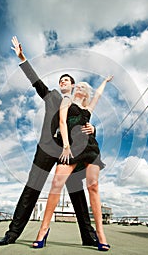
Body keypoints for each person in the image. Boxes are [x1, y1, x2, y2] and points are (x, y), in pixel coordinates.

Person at [0, 36, 98, 246]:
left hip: (69, 152)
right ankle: (12, 234)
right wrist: (22, 58)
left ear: (74, 86)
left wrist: (93, 129)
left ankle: (88, 236)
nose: (62, 82)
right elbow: (35, 81)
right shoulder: (51, 96)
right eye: (61, 80)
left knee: (76, 192)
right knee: (31, 188)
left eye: (67, 80)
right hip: (47, 147)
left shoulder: (79, 106)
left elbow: (84, 129)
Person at [33, 77, 113, 251]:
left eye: (83, 87)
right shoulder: (67, 100)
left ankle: (100, 234)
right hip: (71, 147)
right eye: (78, 86)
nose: (79, 88)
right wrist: (66, 145)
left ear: (86, 93)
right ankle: (43, 229)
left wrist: (105, 82)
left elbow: (98, 95)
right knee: (57, 183)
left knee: (93, 186)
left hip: (90, 147)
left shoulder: (88, 109)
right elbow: (62, 121)